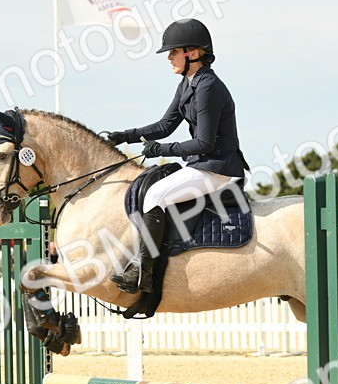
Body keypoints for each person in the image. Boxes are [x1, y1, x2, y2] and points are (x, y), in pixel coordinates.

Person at [102, 18, 249, 294]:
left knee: (155, 195)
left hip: (219, 169)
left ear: (192, 53)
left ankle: (142, 273)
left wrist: (161, 150)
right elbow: (164, 126)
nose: (169, 58)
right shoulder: (187, 83)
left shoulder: (208, 87)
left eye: (173, 52)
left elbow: (204, 143)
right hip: (204, 165)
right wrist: (126, 135)